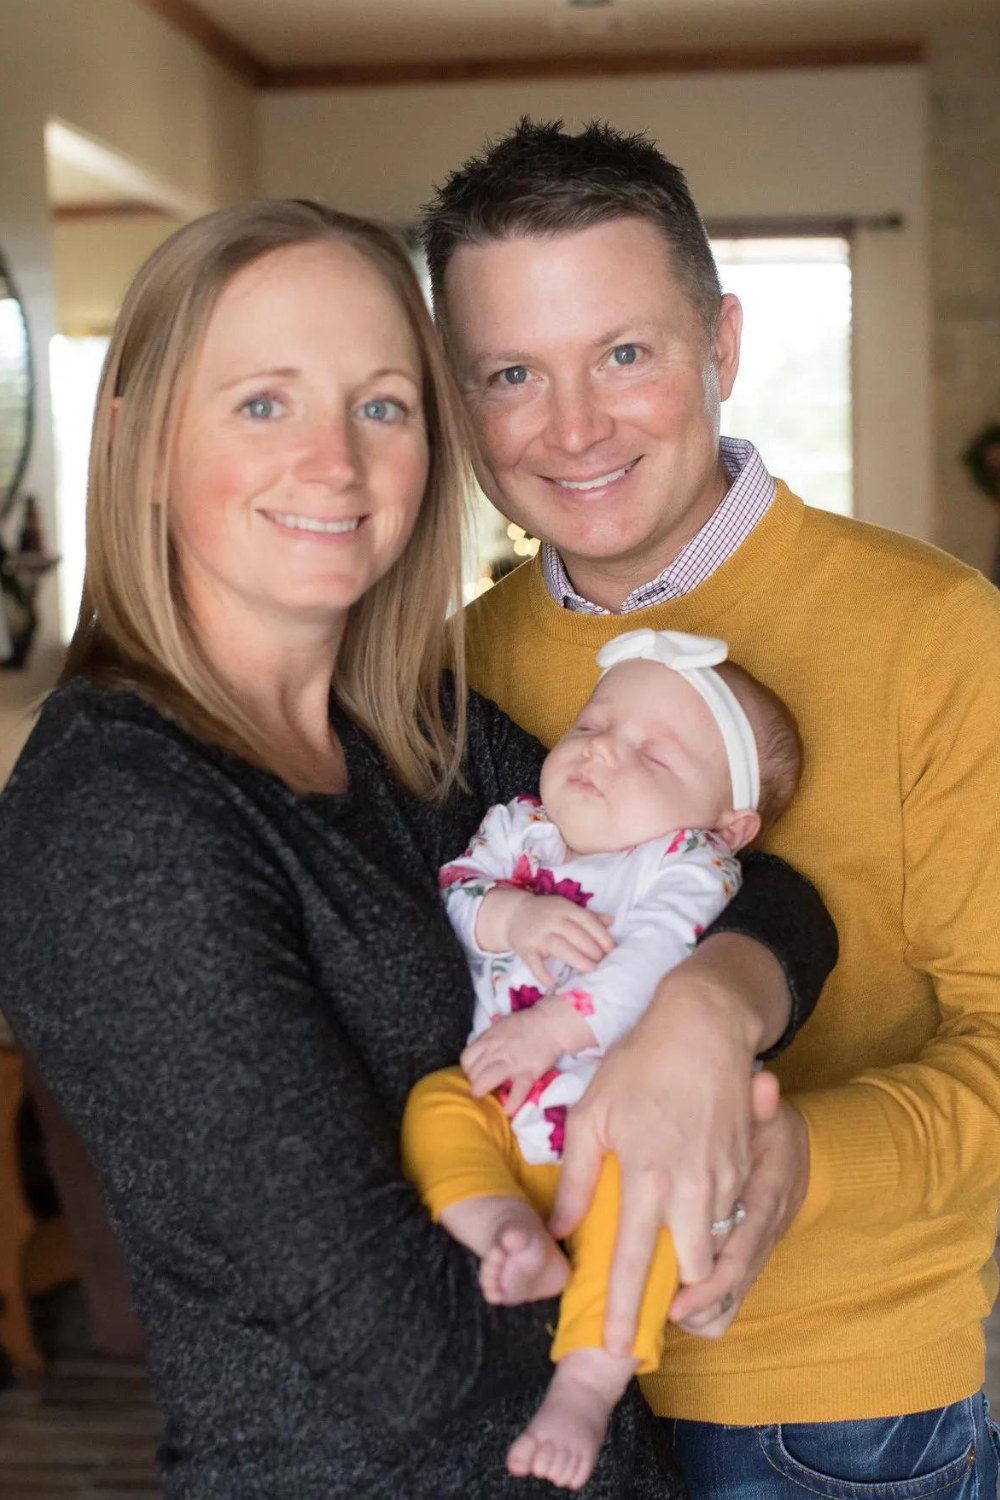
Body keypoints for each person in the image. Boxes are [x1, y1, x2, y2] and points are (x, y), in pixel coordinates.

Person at [0, 200, 834, 1499]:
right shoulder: (120, 825)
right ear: (140, 442)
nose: (334, 460)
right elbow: (394, 1348)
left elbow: (770, 889)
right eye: (264, 403)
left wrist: (706, 1026)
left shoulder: (416, 730)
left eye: (380, 405)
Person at [421, 118, 1000, 1496]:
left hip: (834, 1409)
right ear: (463, 399)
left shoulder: (938, 631)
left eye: (626, 353)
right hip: (514, 1397)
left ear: (723, 346)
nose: (573, 427)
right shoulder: (448, 669)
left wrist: (794, 1148)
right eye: (515, 373)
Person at [404, 629, 802, 1491]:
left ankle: (587, 1380)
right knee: (435, 1109)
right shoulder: (520, 828)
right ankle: (503, 1230)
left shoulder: (689, 863)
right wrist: (509, 917)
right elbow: (456, 890)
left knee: (654, 1208)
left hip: (617, 1120)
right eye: (591, 726)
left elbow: (655, 958)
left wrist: (553, 1030)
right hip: (499, 1099)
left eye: (655, 757)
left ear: (728, 823)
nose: (602, 754)